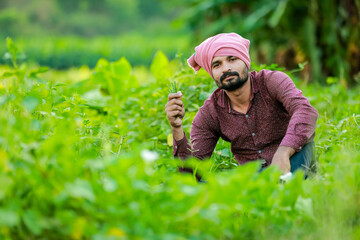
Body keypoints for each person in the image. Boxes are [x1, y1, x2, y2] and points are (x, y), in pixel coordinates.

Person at [165, 33, 318, 177]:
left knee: (303, 153)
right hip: (253, 180)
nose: (226, 68)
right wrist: (176, 128)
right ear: (212, 73)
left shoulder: (272, 82)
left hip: (294, 164)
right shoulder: (211, 112)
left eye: (232, 59)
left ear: (245, 61)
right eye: (217, 65)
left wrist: (283, 152)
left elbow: (305, 111)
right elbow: (193, 173)